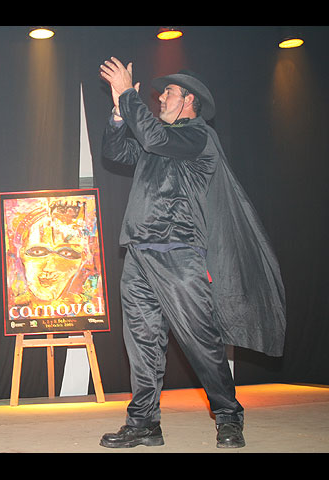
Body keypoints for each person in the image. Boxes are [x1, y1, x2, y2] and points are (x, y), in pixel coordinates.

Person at [98, 58, 285, 449]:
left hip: (178, 254)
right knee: (143, 344)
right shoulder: (157, 140)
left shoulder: (198, 137)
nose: (160, 97)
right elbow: (117, 152)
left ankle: (229, 416)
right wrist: (118, 112)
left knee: (201, 341)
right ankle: (144, 423)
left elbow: (152, 138)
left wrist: (129, 93)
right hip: (138, 255)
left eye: (168, 92)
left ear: (188, 101)